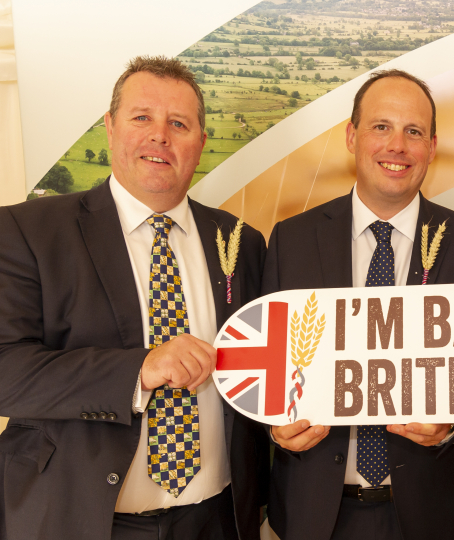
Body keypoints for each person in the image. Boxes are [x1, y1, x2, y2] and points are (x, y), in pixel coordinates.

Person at [0, 56, 269, 540]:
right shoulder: (27, 231)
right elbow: (5, 370)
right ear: (110, 127)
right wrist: (139, 370)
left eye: (179, 124)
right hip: (77, 519)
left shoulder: (242, 243)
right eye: (142, 117)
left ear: (201, 144)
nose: (159, 136)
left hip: (216, 520)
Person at [262, 69, 454, 540]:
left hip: (434, 516)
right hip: (315, 516)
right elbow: (269, 370)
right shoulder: (290, 242)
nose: (397, 146)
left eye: (413, 131)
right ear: (352, 136)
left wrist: (452, 425)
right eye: (381, 127)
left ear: (431, 148)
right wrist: (276, 430)